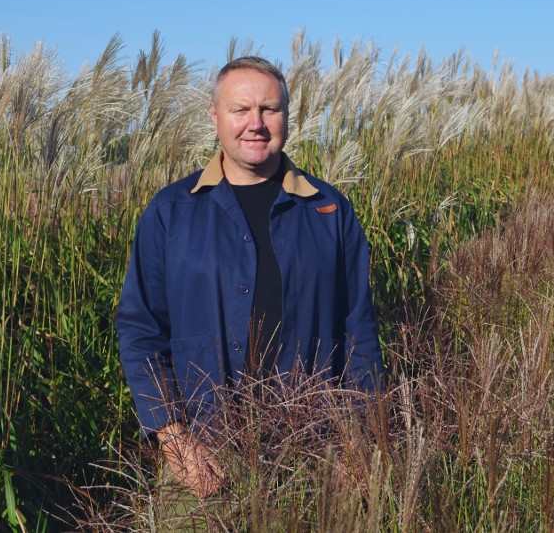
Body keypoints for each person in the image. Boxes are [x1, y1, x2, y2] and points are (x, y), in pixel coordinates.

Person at [116, 56, 385, 499]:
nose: (255, 123)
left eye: (269, 110)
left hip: (314, 452)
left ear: (286, 116)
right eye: (241, 110)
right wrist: (174, 439)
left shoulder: (329, 210)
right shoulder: (171, 212)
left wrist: (359, 440)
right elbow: (141, 330)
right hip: (203, 456)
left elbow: (359, 332)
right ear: (215, 116)